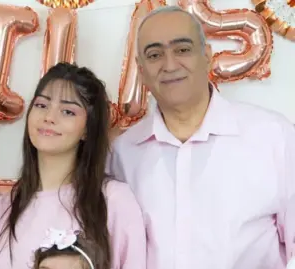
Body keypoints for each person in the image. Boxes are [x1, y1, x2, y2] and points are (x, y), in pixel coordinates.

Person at [107, 5, 295, 269]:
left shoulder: (273, 136)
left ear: (206, 55)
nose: (169, 65)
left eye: (182, 49)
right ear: (140, 68)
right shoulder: (122, 155)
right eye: (154, 54)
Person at [0, 62, 146, 269]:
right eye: (42, 105)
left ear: (88, 129)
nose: (49, 118)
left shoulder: (112, 200)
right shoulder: (4, 208)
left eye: (68, 111)